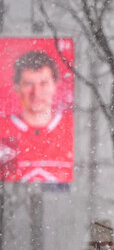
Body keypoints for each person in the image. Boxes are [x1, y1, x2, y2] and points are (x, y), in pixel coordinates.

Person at [0, 50, 74, 182]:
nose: (36, 92)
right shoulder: (3, 129)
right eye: (28, 84)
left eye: (43, 83)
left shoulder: (73, 127)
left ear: (55, 85)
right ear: (17, 87)